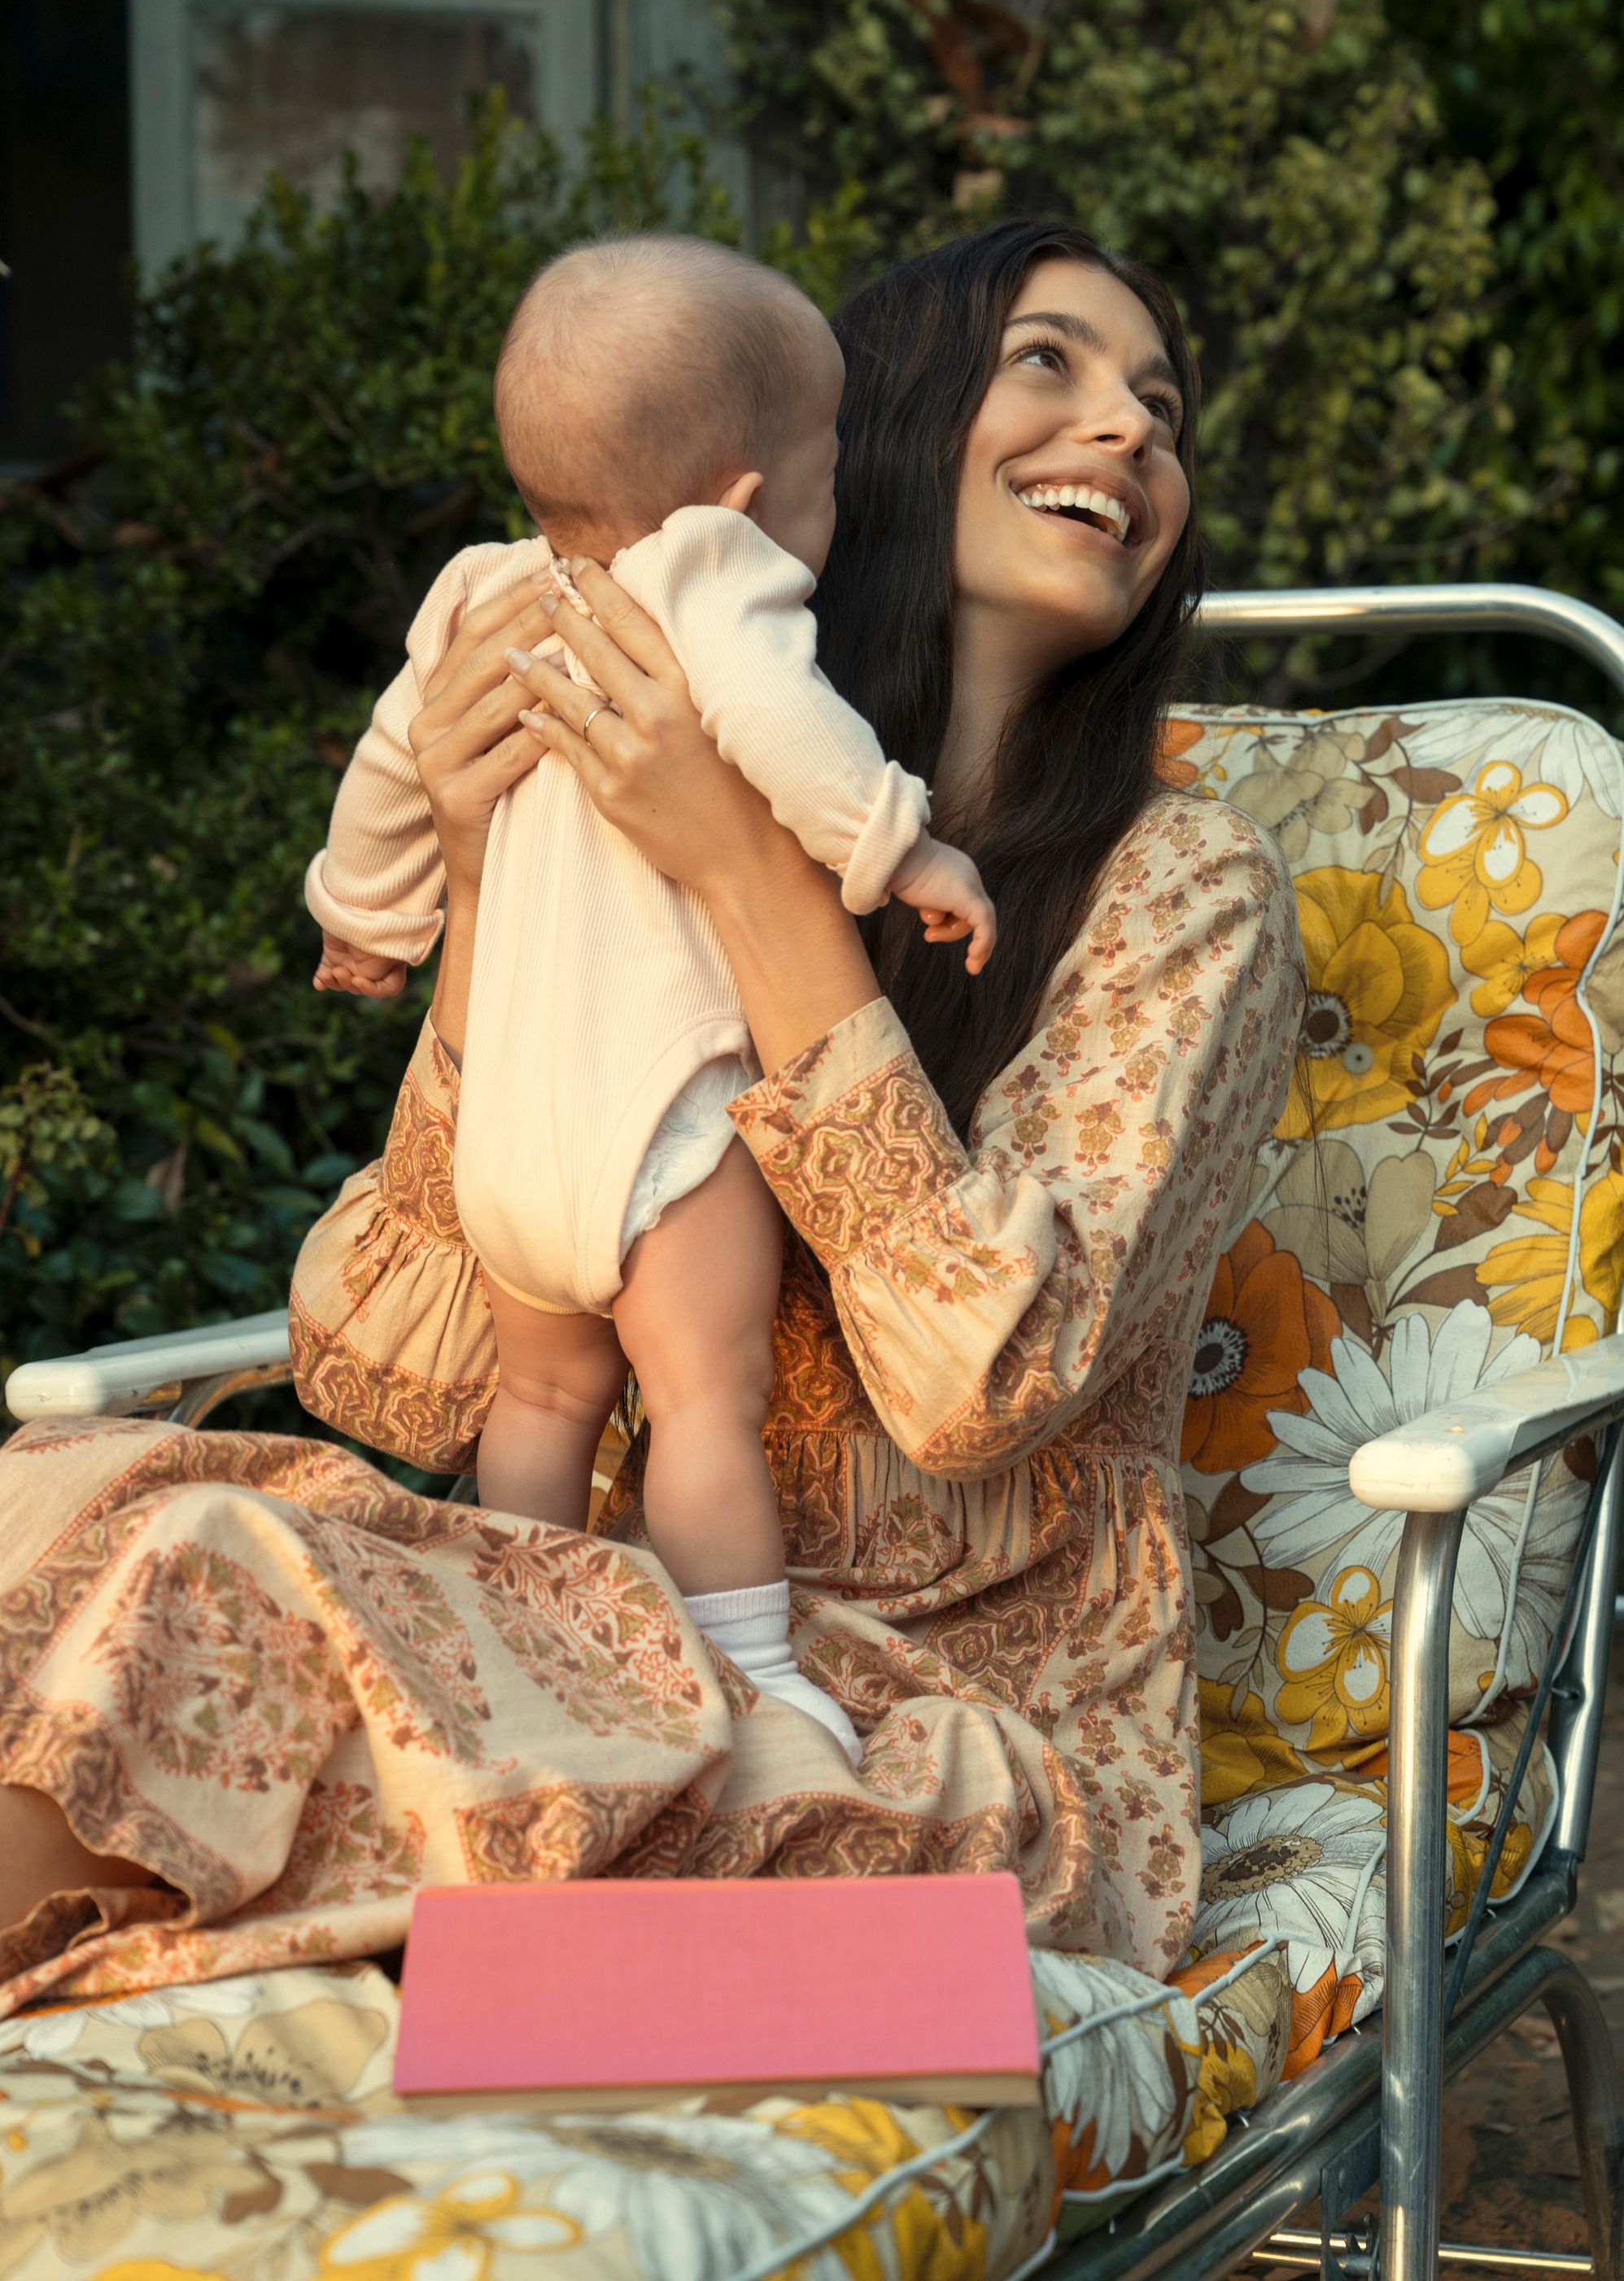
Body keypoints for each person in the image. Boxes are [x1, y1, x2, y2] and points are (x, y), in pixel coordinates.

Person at [0, 219, 1304, 2011]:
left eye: (1161, 404)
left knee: (224, 1581)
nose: (1131, 430)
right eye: (1052, 365)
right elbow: (396, 1374)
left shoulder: (1188, 892)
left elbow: (975, 1381)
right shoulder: (610, 823)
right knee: (65, 1500)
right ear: (863, 442)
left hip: (938, 1748)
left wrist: (750, 877)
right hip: (583, 1661)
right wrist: (477, 894)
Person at [303, 238, 993, 1764]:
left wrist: (368, 918)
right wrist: (904, 843)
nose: (834, 509)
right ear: (744, 497)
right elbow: (783, 725)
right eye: (825, 474)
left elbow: (393, 770)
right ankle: (744, 1666)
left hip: (511, 1134)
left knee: (543, 1400)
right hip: (664, 1107)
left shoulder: (478, 596)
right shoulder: (710, 576)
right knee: (700, 1397)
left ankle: (526, 1639)